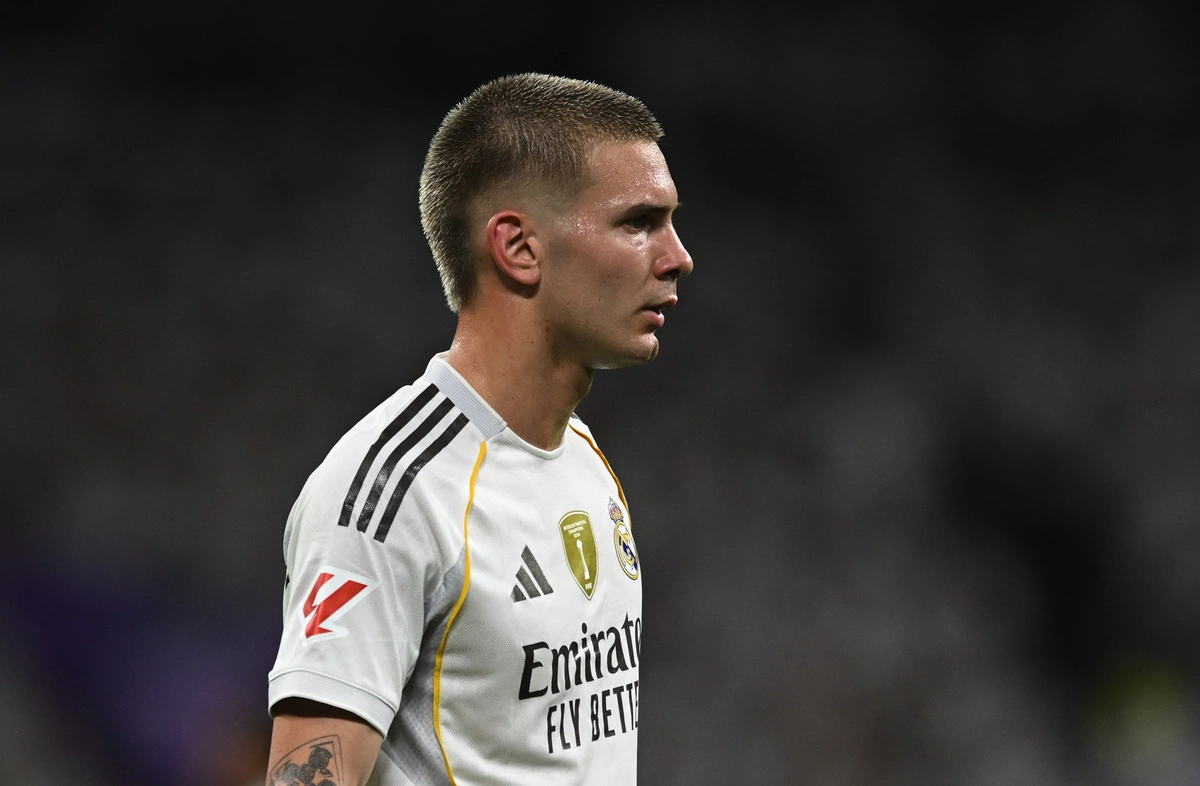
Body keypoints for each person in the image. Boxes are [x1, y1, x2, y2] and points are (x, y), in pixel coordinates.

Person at [265, 73, 693, 786]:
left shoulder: (581, 457)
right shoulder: (392, 494)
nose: (677, 255)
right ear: (519, 248)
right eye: (638, 222)